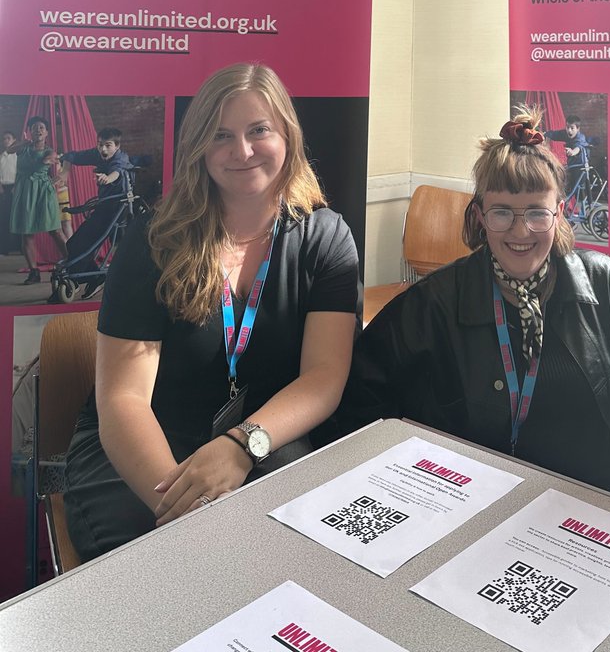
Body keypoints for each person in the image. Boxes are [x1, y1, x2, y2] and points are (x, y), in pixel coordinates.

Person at [64, 63, 360, 561]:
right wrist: (187, 506)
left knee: (291, 555)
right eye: (221, 135)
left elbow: (325, 377)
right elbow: (124, 400)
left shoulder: (327, 238)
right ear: (199, 147)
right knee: (168, 566)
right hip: (142, 443)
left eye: (258, 130)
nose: (242, 151)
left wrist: (244, 445)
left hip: (262, 436)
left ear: (287, 133)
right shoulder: (153, 237)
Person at [328, 108, 610, 501]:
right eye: (502, 212)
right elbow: (358, 408)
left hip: (587, 506)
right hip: (470, 504)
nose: (521, 231)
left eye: (537, 212)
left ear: (559, 212)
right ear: (480, 215)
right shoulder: (429, 307)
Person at [57, 127, 132, 298]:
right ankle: (96, 277)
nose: (103, 149)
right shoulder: (97, 154)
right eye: (100, 145)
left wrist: (108, 178)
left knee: (88, 244)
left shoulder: (121, 158)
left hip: (117, 207)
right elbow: (71, 155)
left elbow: (116, 172)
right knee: (72, 244)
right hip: (103, 207)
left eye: (108, 145)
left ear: (117, 146)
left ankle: (73, 279)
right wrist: (65, 171)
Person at [10, 116, 67, 285]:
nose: (38, 130)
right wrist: (24, 143)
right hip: (25, 191)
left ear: (47, 132)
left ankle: (72, 263)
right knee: (26, 233)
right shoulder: (23, 147)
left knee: (55, 230)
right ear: (30, 131)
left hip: (43, 192)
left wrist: (51, 172)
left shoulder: (50, 150)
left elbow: (51, 163)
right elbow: (10, 149)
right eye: (35, 127)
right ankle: (33, 272)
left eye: (42, 127)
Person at [0, 131, 19, 255]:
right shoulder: (1, 156)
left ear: (14, 140)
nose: (6, 141)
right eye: (4, 139)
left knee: (18, 218)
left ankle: (19, 247)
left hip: (16, 187)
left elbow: (21, 172)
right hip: (3, 189)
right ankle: (4, 248)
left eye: (8, 138)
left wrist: (16, 186)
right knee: (4, 218)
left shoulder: (18, 155)